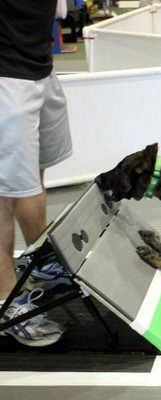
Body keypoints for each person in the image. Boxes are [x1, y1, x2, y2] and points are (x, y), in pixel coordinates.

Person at [0, 0, 73, 347]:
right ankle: (4, 302)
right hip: (5, 78)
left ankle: (38, 262)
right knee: (3, 197)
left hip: (39, 68)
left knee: (33, 179)